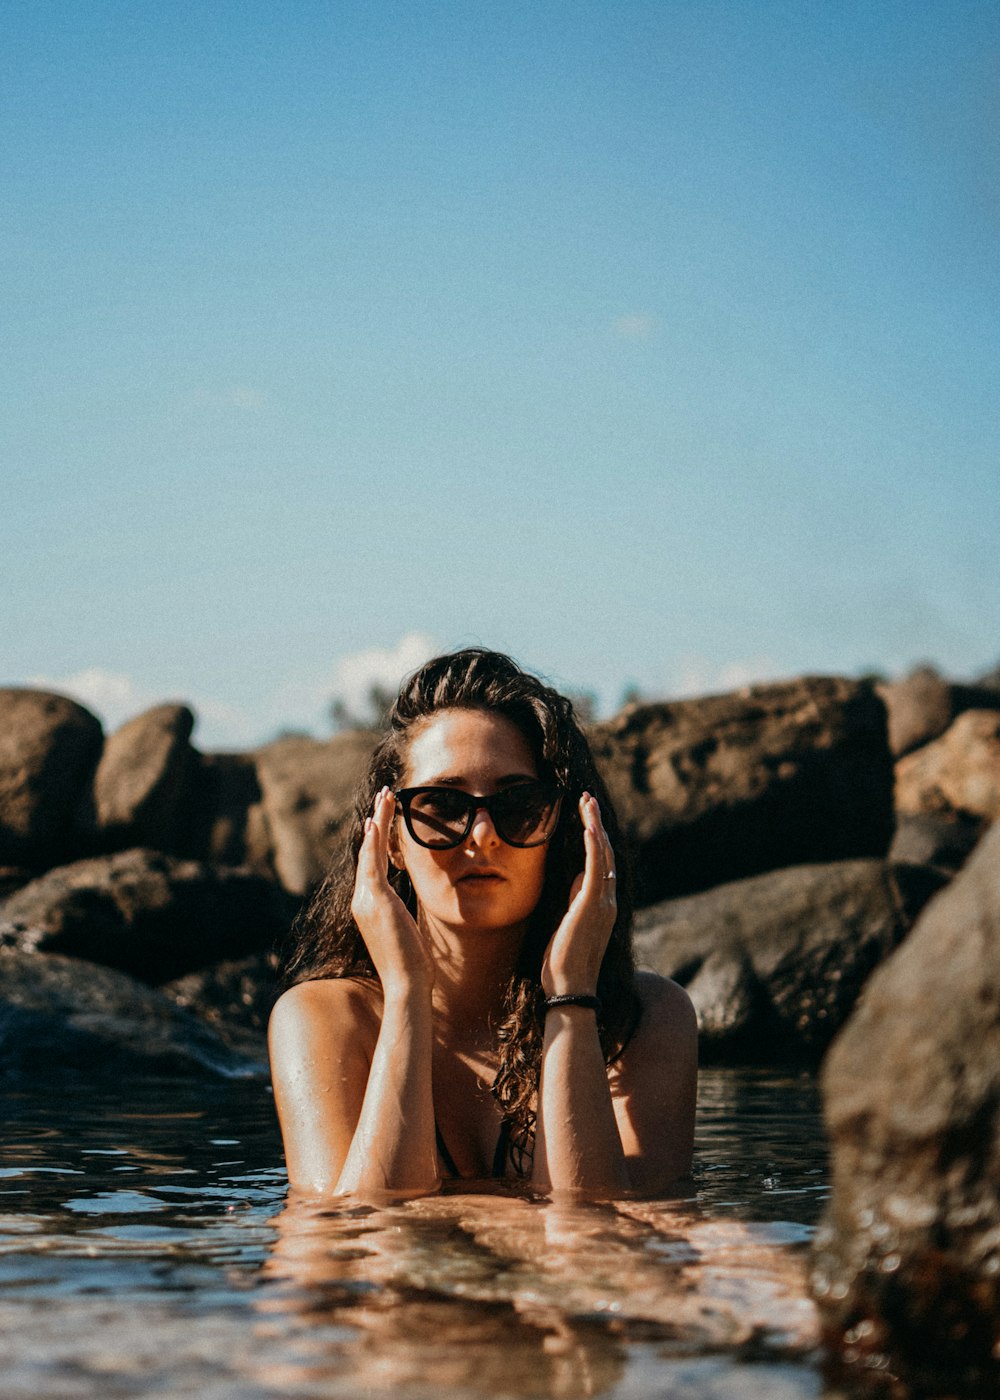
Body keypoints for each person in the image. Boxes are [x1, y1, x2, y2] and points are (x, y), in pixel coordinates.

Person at [269, 648, 697, 1197]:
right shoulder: (323, 1020)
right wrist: (405, 992)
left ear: (561, 832)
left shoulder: (645, 1019)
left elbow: (596, 1239)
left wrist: (571, 996)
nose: (482, 835)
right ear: (391, 839)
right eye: (442, 805)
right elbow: (363, 1243)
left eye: (519, 804)